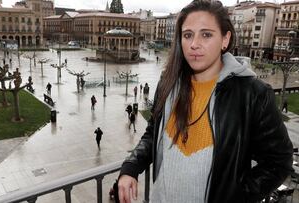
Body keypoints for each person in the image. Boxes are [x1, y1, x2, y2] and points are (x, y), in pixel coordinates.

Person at [118, 1, 293, 203]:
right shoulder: (168, 84)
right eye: (188, 35)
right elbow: (153, 132)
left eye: (206, 34)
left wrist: (237, 197)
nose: (194, 44)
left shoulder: (253, 95)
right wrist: (131, 167)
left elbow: (279, 160)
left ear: (225, 39)